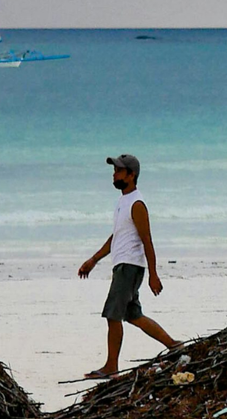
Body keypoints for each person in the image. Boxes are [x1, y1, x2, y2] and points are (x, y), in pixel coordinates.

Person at [77, 154, 179, 378]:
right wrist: (94, 260)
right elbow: (116, 237)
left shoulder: (137, 204)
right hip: (123, 266)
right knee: (133, 316)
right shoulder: (123, 201)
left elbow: (147, 240)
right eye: (114, 170)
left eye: (119, 171)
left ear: (131, 175)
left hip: (129, 267)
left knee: (113, 315)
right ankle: (174, 345)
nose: (114, 174)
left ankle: (111, 366)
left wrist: (154, 274)